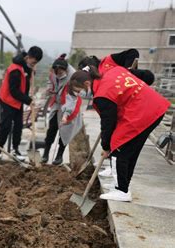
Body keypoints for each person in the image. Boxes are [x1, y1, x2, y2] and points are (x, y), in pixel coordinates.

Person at [69, 66, 170, 202]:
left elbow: (108, 123)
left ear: (87, 83)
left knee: (118, 147)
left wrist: (106, 147)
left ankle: (122, 190)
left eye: (79, 91)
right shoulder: (112, 72)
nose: (81, 94)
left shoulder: (102, 95)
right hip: (155, 107)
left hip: (142, 112)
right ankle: (122, 185)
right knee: (130, 150)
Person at [0, 46, 43, 161]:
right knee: (5, 126)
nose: (34, 64)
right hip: (7, 100)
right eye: (34, 62)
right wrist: (28, 100)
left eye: (36, 63)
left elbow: (26, 81)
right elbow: (14, 90)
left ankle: (15, 149)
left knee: (18, 126)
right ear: (29, 57)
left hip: (18, 102)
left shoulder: (26, 67)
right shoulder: (15, 69)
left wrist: (32, 72)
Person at [41, 54, 80, 165]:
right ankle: (45, 154)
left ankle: (59, 156)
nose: (57, 75)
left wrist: (66, 114)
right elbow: (50, 81)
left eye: (60, 73)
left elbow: (72, 98)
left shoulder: (73, 77)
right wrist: (50, 89)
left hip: (69, 104)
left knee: (65, 131)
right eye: (56, 73)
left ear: (65, 70)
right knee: (52, 129)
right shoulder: (53, 72)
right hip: (57, 104)